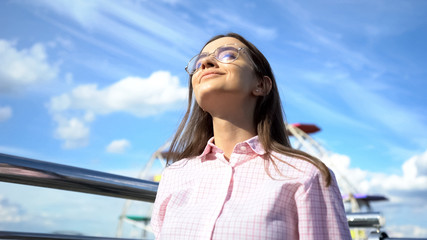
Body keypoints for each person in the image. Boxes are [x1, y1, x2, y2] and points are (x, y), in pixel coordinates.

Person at [151, 33, 351, 239]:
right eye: (199, 61)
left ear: (261, 85)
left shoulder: (306, 174)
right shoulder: (174, 175)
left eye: (228, 55)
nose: (207, 63)